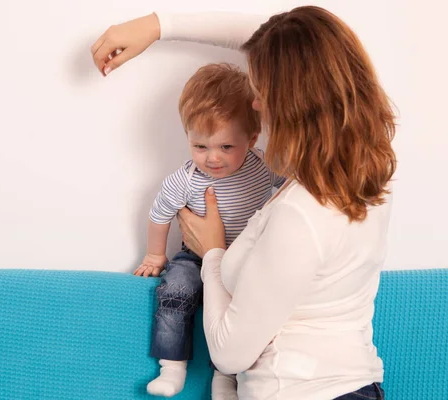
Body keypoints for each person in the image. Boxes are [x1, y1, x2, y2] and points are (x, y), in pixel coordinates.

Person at [91, 6, 395, 400]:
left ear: (294, 103)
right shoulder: (367, 168)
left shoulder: (300, 215)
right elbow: (289, 46)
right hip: (354, 385)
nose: (254, 104)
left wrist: (212, 250)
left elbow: (229, 353)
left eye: (262, 92)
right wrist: (156, 26)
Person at [133, 62, 285, 398]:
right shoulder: (185, 180)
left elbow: (293, 185)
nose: (212, 158)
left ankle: (226, 380)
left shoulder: (263, 166)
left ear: (252, 138)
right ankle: (172, 366)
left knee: (246, 307)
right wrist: (155, 253)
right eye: (200, 147)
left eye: (226, 147)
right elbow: (160, 213)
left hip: (243, 256)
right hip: (194, 256)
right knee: (174, 292)